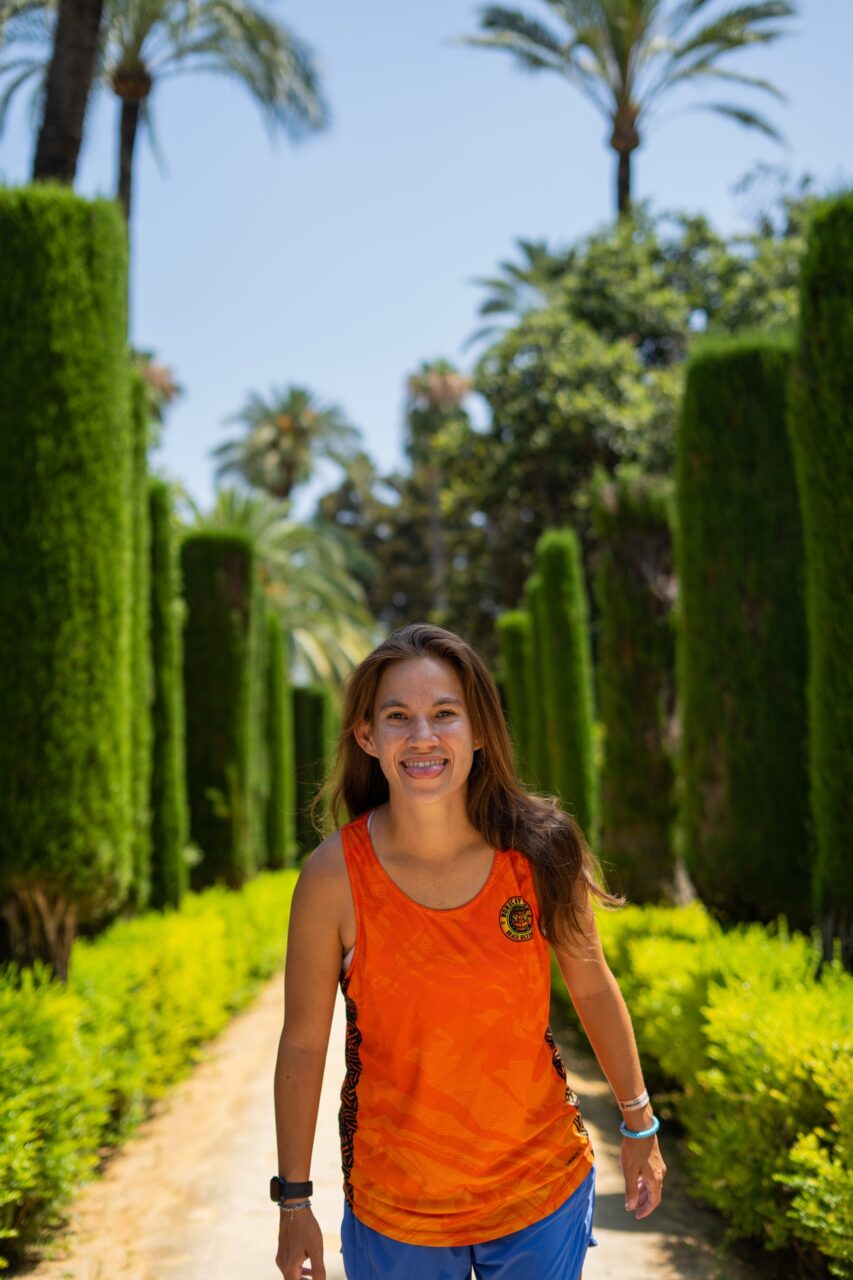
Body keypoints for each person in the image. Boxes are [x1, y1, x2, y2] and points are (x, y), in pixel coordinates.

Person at [274, 623, 666, 1280]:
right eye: (397, 717)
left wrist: (638, 1123)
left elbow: (592, 987)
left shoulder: (540, 849)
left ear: (478, 730)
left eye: (444, 714)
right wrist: (294, 1201)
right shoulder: (331, 878)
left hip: (540, 1192)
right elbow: (304, 1043)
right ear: (366, 737)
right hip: (395, 1209)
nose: (422, 737)